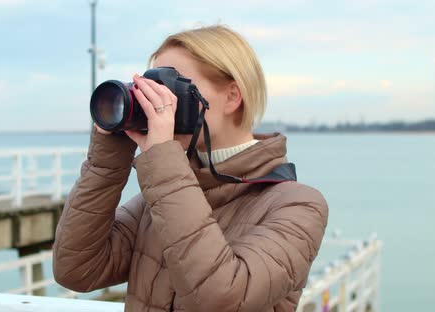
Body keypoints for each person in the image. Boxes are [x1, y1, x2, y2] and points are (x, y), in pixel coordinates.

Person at [53, 25, 328, 312]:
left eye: (173, 87)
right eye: (151, 88)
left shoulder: (299, 206)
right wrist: (108, 160)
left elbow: (223, 299)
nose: (159, 103)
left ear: (233, 97)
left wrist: (163, 161)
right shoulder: (160, 196)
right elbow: (76, 269)